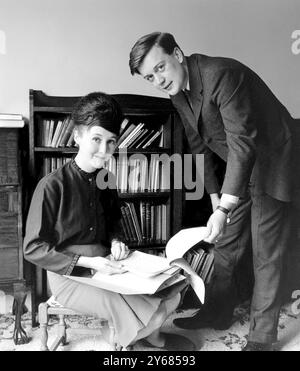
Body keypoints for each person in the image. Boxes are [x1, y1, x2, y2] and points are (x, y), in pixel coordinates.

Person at [129, 32, 293, 351]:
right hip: (239, 168)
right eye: (150, 77)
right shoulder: (178, 92)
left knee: (265, 251)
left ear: (177, 54)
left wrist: (223, 210)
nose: (158, 80)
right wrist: (216, 198)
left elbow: (243, 144)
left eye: (160, 68)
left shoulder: (222, 75)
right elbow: (198, 146)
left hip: (273, 164)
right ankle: (217, 312)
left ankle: (263, 339)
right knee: (226, 243)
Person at [23, 91, 194, 351]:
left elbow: (114, 222)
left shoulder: (108, 179)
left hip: (108, 267)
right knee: (155, 313)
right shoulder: (51, 186)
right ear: (78, 135)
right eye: (96, 139)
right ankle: (128, 339)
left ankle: (134, 335)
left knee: (171, 293)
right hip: (70, 276)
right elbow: (32, 248)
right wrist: (88, 262)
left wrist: (116, 242)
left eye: (111, 141)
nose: (104, 150)